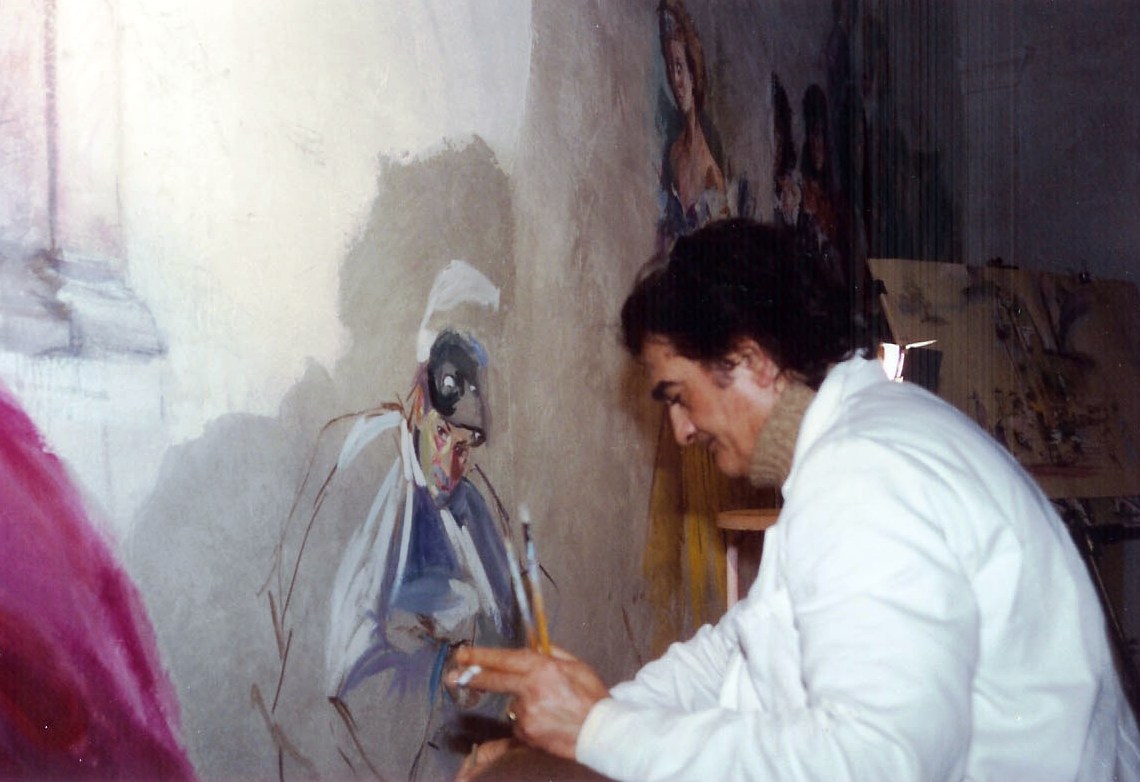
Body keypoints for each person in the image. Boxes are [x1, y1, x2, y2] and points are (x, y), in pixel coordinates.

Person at [452, 218, 1140, 781]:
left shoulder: (866, 477)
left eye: (678, 396)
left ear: (750, 360)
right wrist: (586, 722)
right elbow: (745, 644)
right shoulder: (857, 441)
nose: (681, 430)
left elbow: (875, 765)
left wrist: (600, 729)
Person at [657, 0, 729, 242]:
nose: (675, 81)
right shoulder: (674, 151)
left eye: (679, 67)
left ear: (693, 72)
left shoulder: (711, 174)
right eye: (670, 68)